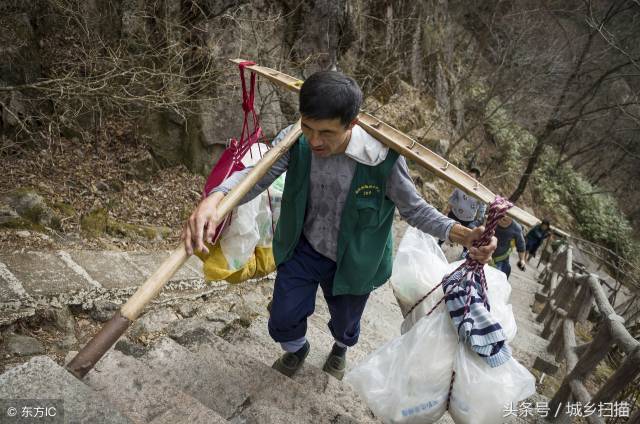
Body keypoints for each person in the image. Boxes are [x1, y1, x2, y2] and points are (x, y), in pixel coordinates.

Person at [182, 71, 497, 381]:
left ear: (352, 124)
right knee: (282, 316)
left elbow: (415, 210)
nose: (315, 140)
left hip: (355, 261)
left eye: (327, 133)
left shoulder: (383, 160)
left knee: (346, 324)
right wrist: (216, 198)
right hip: (303, 246)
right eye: (308, 127)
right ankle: (296, 349)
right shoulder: (296, 140)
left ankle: (340, 348)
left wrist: (465, 235)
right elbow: (256, 175)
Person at [439, 167, 486, 248]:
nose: (468, 179)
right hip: (454, 213)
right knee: (446, 229)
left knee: (467, 237)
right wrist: (447, 208)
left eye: (471, 177)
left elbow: (482, 208)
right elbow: (454, 196)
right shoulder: (461, 184)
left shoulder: (480, 193)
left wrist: (480, 222)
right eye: (467, 176)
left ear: (477, 179)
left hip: (468, 219)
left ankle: (465, 252)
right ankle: (439, 243)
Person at [492, 215, 526, 279]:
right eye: (503, 214)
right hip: (482, 252)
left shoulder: (516, 228)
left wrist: (522, 260)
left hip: (499, 259)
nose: (505, 217)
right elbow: (474, 225)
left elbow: (521, 245)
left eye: (508, 215)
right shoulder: (491, 217)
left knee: (502, 274)